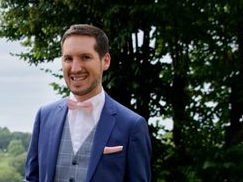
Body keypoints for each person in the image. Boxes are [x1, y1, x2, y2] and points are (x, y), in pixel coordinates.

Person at [24, 24, 151, 182]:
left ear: (105, 61)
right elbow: (31, 178)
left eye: (85, 57)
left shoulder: (132, 125)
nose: (75, 68)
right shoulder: (44, 116)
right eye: (68, 58)